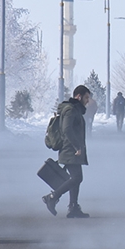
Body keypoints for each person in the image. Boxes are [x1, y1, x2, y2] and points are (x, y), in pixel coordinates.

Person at [42, 85, 91, 218]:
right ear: (79, 96)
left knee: (76, 178)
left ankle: (73, 207)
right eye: (86, 97)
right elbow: (66, 129)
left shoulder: (75, 110)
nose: (88, 101)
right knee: (77, 177)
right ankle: (52, 197)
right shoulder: (70, 110)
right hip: (70, 150)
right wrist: (76, 147)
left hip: (72, 149)